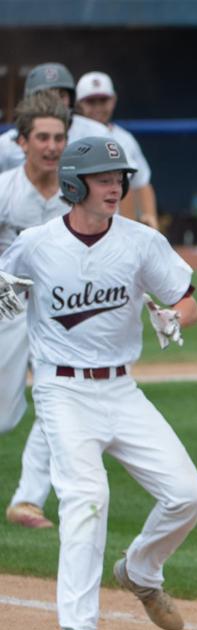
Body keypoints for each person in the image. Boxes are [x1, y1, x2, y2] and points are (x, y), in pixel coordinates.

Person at [0, 136, 197, 630]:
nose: (116, 185)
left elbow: (187, 300)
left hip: (121, 389)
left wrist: (173, 318)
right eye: (102, 177)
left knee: (188, 494)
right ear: (75, 184)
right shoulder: (36, 244)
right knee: (87, 498)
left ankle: (140, 571)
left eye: (119, 177)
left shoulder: (141, 242)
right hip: (61, 389)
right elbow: (6, 290)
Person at [0, 94, 71, 531]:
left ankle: (27, 500)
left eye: (59, 138)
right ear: (23, 142)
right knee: (5, 417)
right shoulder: (5, 189)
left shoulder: (78, 188)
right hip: (8, 305)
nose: (51, 147)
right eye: (42, 137)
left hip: (62, 312)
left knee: (60, 401)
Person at [74, 71, 159, 230]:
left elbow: (142, 183)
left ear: (113, 101)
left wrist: (150, 219)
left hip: (114, 227)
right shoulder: (68, 136)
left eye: (103, 100)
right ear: (79, 104)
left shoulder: (125, 139)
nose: (98, 107)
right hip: (78, 225)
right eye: (91, 101)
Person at [0, 64, 108, 173]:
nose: (55, 101)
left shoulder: (98, 134)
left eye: (61, 95)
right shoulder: (6, 144)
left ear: (71, 99)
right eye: (46, 95)